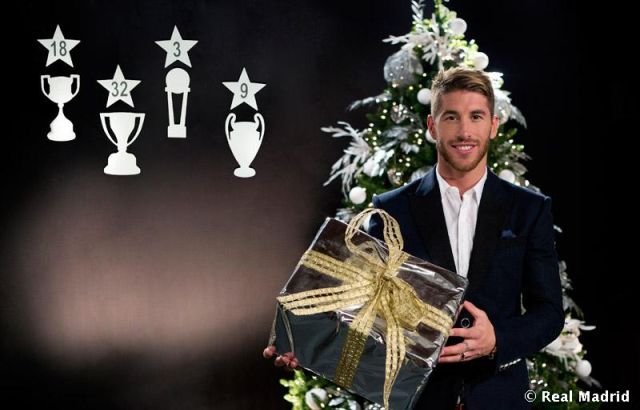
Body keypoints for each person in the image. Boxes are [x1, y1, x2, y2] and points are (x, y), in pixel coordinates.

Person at [265, 67, 564, 410]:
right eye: (451, 117)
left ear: (493, 125)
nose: (464, 131)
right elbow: (366, 311)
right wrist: (307, 346)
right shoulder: (391, 208)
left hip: (501, 398)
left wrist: (498, 339)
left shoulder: (529, 209)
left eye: (476, 116)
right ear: (432, 126)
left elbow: (549, 313)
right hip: (420, 400)